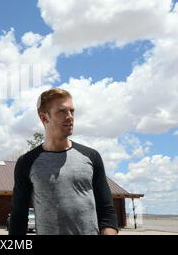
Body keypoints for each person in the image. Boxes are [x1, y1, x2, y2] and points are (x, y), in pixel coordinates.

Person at [9, 88, 118, 235]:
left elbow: (107, 211)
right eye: (62, 111)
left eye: (72, 111)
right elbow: (18, 218)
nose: (70, 116)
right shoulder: (26, 162)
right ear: (44, 118)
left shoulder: (91, 157)